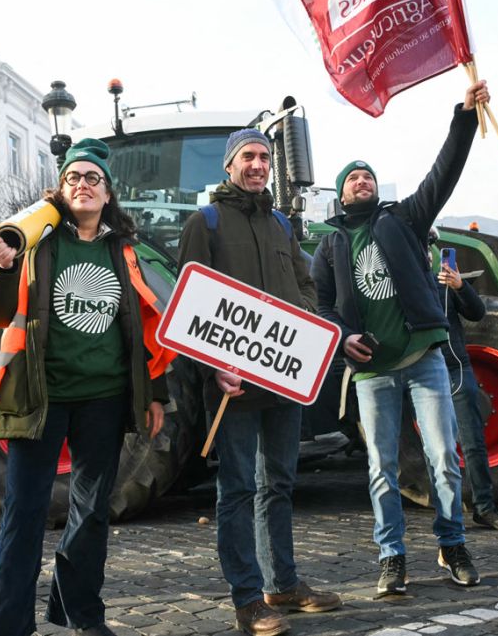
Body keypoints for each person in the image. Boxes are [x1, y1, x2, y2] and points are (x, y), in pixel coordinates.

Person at [0, 138, 168, 636]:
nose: (83, 185)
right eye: (73, 178)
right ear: (60, 190)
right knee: (24, 515)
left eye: (93, 179)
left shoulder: (125, 251)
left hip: (104, 400)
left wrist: (157, 394)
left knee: (91, 514)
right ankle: (8, 626)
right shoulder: (35, 242)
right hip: (40, 397)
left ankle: (81, 612)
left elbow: (148, 324)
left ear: (108, 193)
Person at [311, 82, 488, 599]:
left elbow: (444, 173)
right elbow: (322, 307)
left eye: (367, 176)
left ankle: (452, 543)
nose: (361, 181)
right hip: (372, 373)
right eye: (352, 178)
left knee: (444, 459)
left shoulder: (404, 220)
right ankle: (391, 556)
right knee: (382, 469)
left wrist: (465, 118)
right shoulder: (329, 247)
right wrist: (344, 336)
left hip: (422, 359)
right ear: (341, 194)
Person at [178, 128, 340, 635]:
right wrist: (214, 368)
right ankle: (248, 599)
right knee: (239, 490)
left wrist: (305, 328)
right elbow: (190, 305)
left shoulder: (280, 224)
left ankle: (282, 584)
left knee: (280, 485)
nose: (258, 164)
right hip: (233, 387)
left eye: (264, 156)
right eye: (248, 156)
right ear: (230, 165)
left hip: (283, 383)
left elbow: (306, 283)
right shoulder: (203, 222)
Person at [434, 232, 498, 533]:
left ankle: (485, 507)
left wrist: (460, 286)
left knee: (473, 442)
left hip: (456, 367)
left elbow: (476, 312)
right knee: (436, 449)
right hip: (421, 372)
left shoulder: (443, 281)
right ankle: (447, 516)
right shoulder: (399, 283)